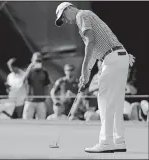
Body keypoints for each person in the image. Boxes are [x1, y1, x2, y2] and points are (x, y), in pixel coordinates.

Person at [55, 2, 135, 153]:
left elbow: (90, 42)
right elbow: (93, 48)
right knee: (116, 102)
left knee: (104, 100)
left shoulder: (81, 15)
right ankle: (119, 141)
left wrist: (84, 69)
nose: (66, 20)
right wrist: (87, 71)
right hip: (119, 56)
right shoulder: (87, 16)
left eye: (63, 16)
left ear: (69, 8)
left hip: (112, 59)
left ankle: (105, 143)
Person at [22, 52, 51, 120]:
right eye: (36, 60)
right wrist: (30, 68)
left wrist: (46, 97)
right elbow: (23, 81)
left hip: (41, 101)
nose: (38, 62)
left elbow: (46, 85)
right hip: (30, 100)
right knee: (26, 121)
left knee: (41, 121)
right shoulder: (28, 71)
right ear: (32, 60)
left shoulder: (44, 72)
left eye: (39, 61)